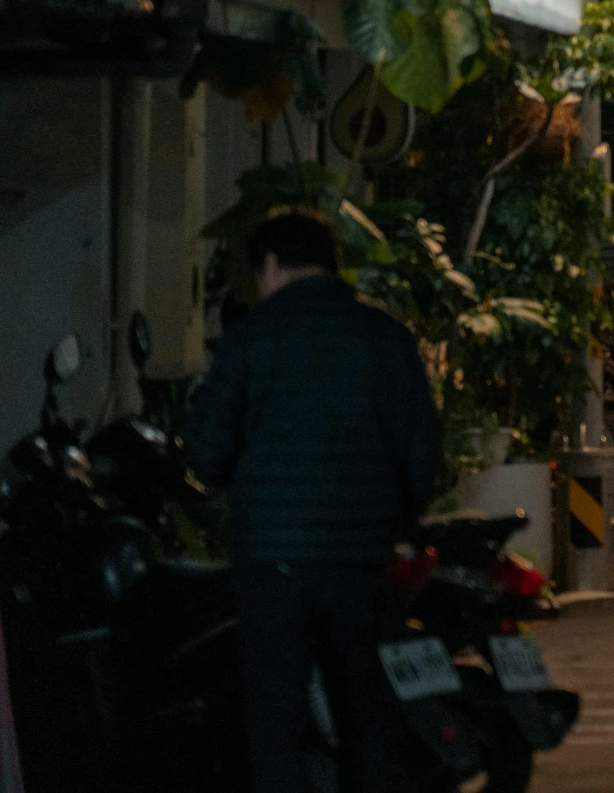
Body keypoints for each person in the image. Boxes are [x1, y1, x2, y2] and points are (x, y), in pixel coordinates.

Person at [183, 211, 441, 792]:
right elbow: (420, 451)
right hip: (359, 560)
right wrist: (399, 519)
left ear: (270, 265)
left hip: (272, 558)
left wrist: (247, 485)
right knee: (362, 711)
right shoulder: (385, 338)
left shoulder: (250, 338)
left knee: (275, 719)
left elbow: (205, 451)